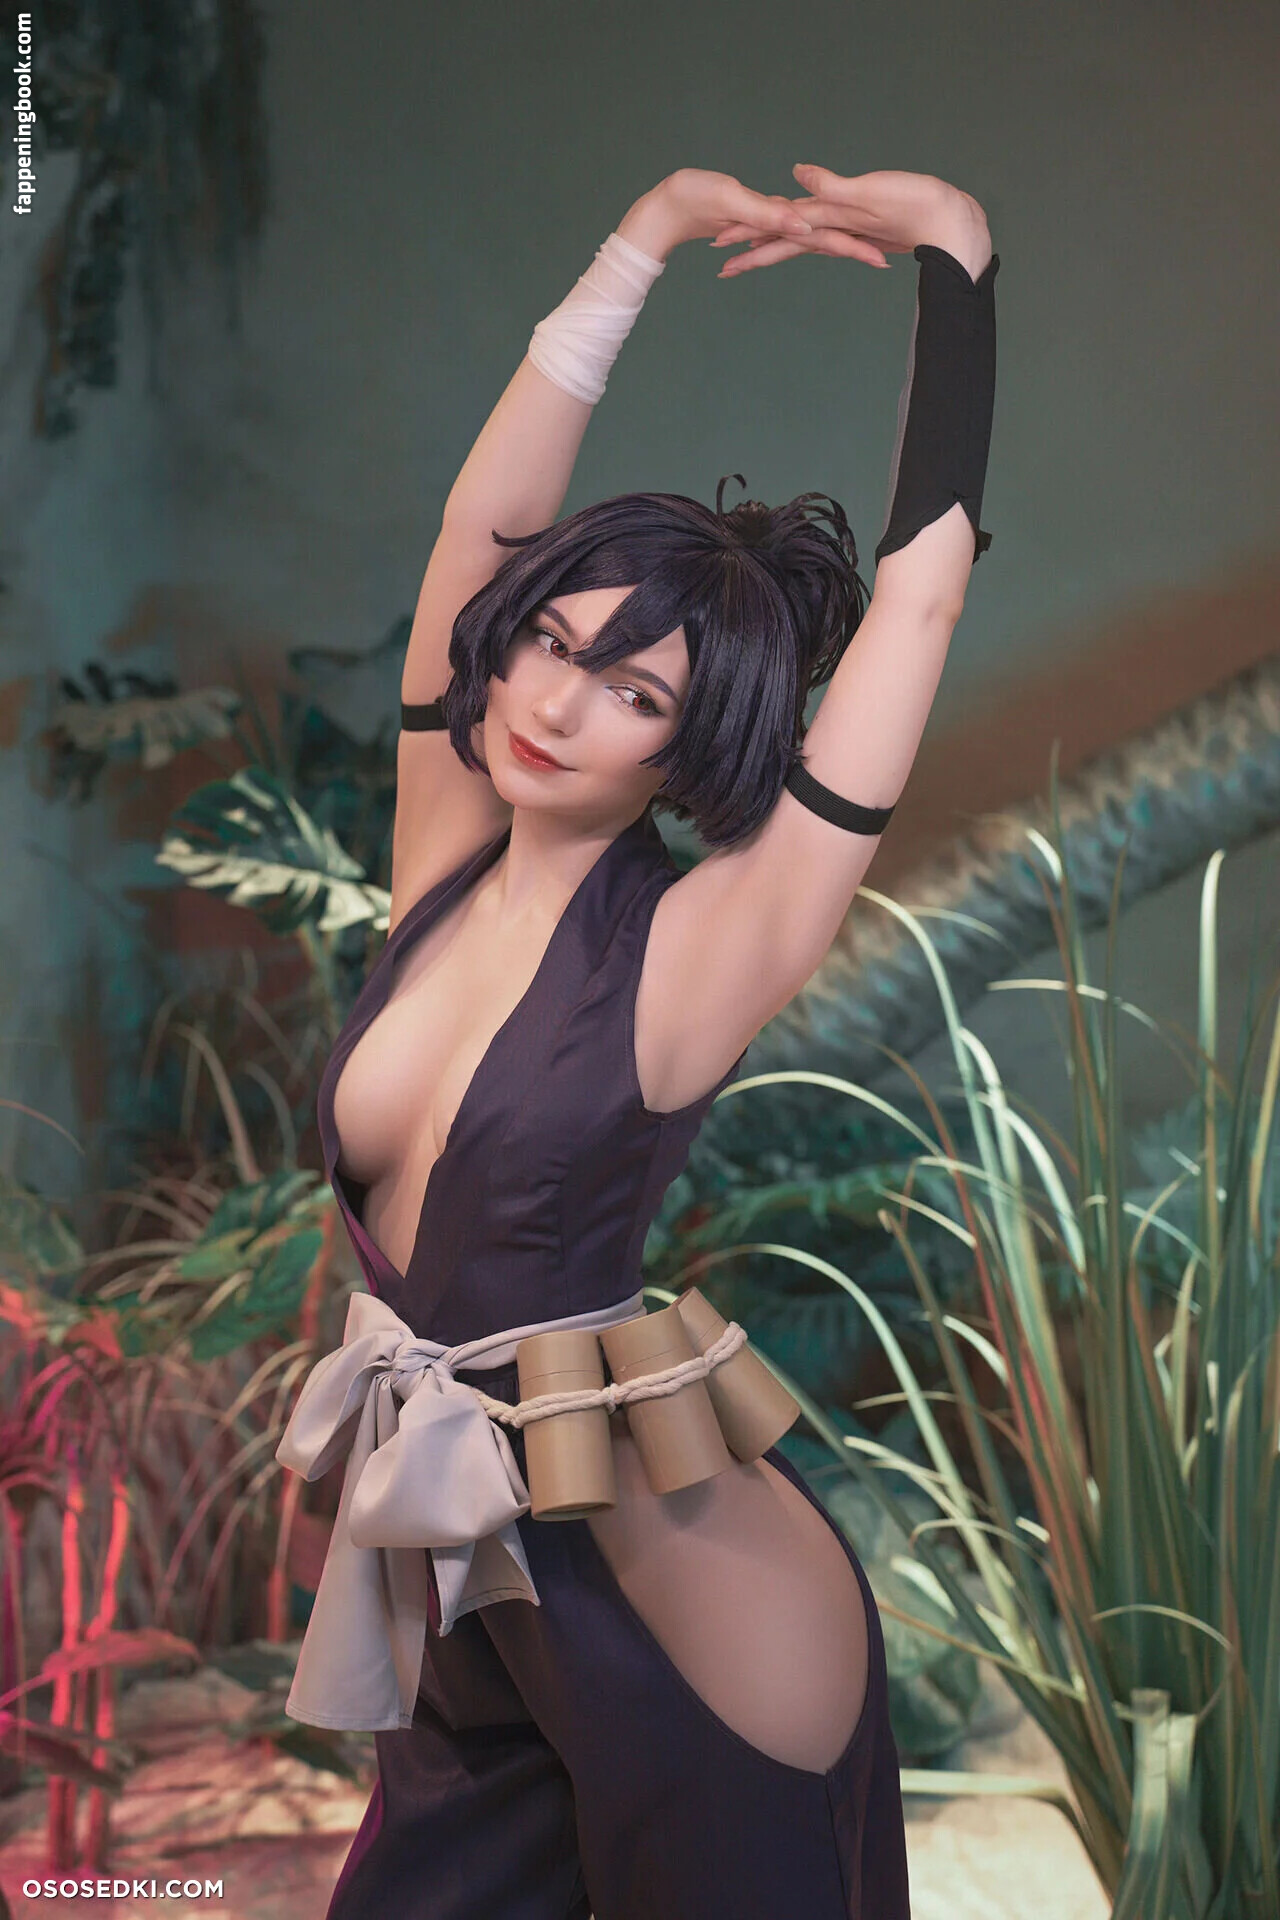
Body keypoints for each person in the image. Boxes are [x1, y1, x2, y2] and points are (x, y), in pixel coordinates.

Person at [280, 163, 997, 1920]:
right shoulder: (446, 857)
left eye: (635, 691)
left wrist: (958, 261)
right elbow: (484, 531)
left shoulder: (696, 949)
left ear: (690, 748)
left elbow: (918, 607)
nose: (552, 700)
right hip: (465, 1575)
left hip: (672, 1614)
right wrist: (648, 238)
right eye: (553, 641)